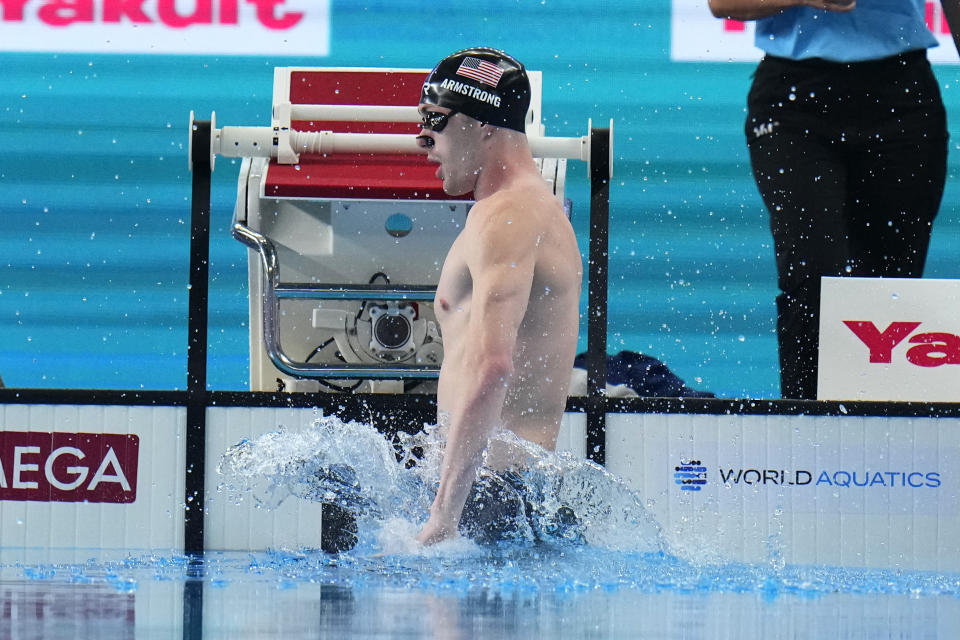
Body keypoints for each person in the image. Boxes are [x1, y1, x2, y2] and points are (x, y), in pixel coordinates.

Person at [708, 0, 949, 399]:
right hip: (794, 101)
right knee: (813, 278)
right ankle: (805, 434)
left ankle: (887, 442)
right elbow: (723, 3)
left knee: (893, 288)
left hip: (901, 96)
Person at [413, 47, 583, 545]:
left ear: (483, 127)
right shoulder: (534, 211)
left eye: (434, 121)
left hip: (491, 500)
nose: (424, 142)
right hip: (505, 494)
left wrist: (444, 515)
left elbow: (493, 367)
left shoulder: (507, 215)